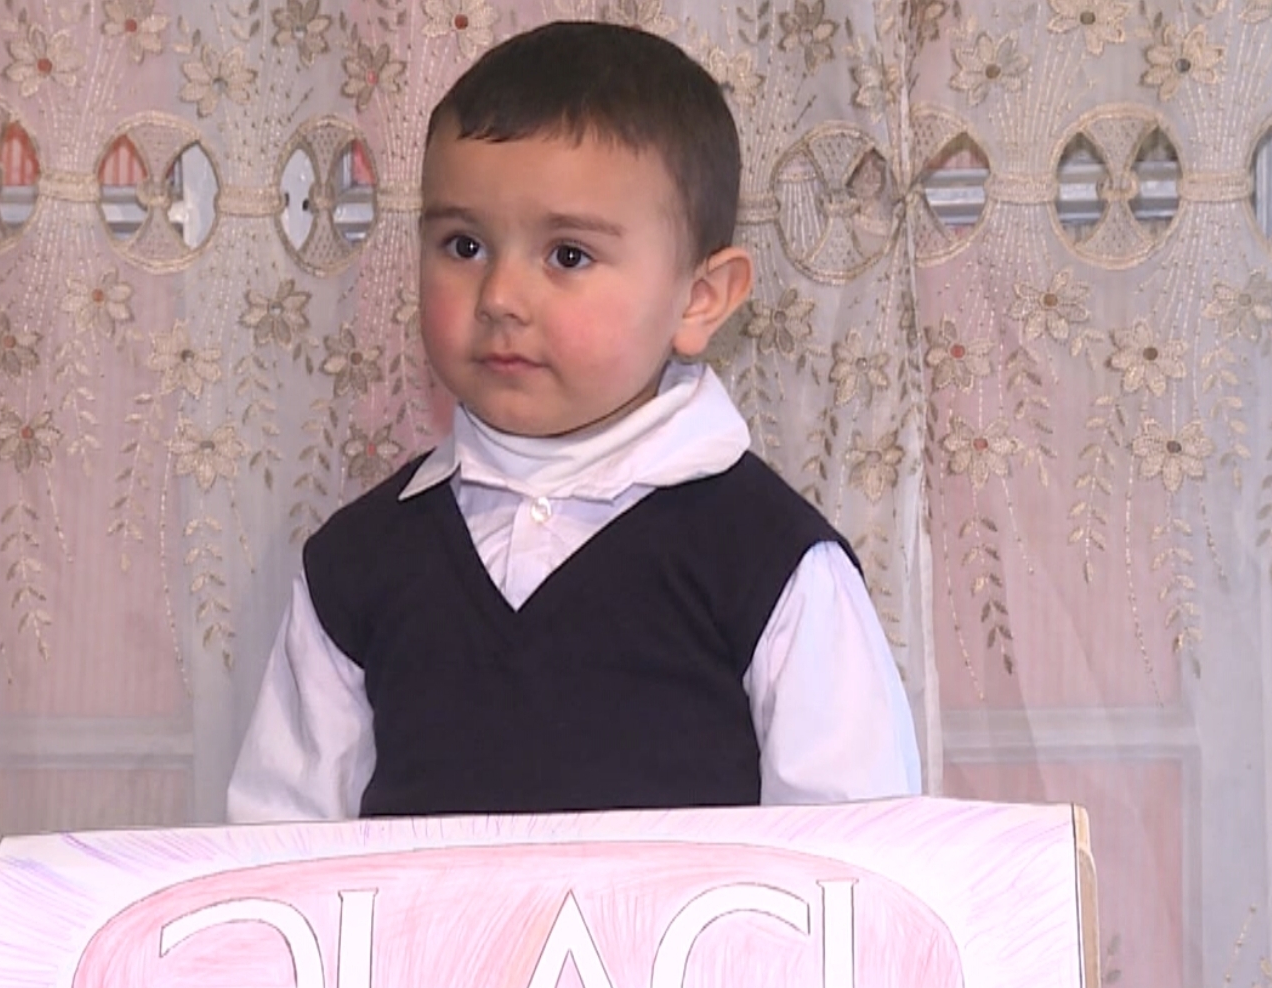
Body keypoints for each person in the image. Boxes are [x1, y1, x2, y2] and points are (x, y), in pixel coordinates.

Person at [227, 20, 925, 821]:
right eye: (463, 245)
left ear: (700, 300)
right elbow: (274, 852)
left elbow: (857, 859)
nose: (499, 298)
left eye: (568, 255)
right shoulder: (354, 566)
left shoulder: (773, 564)